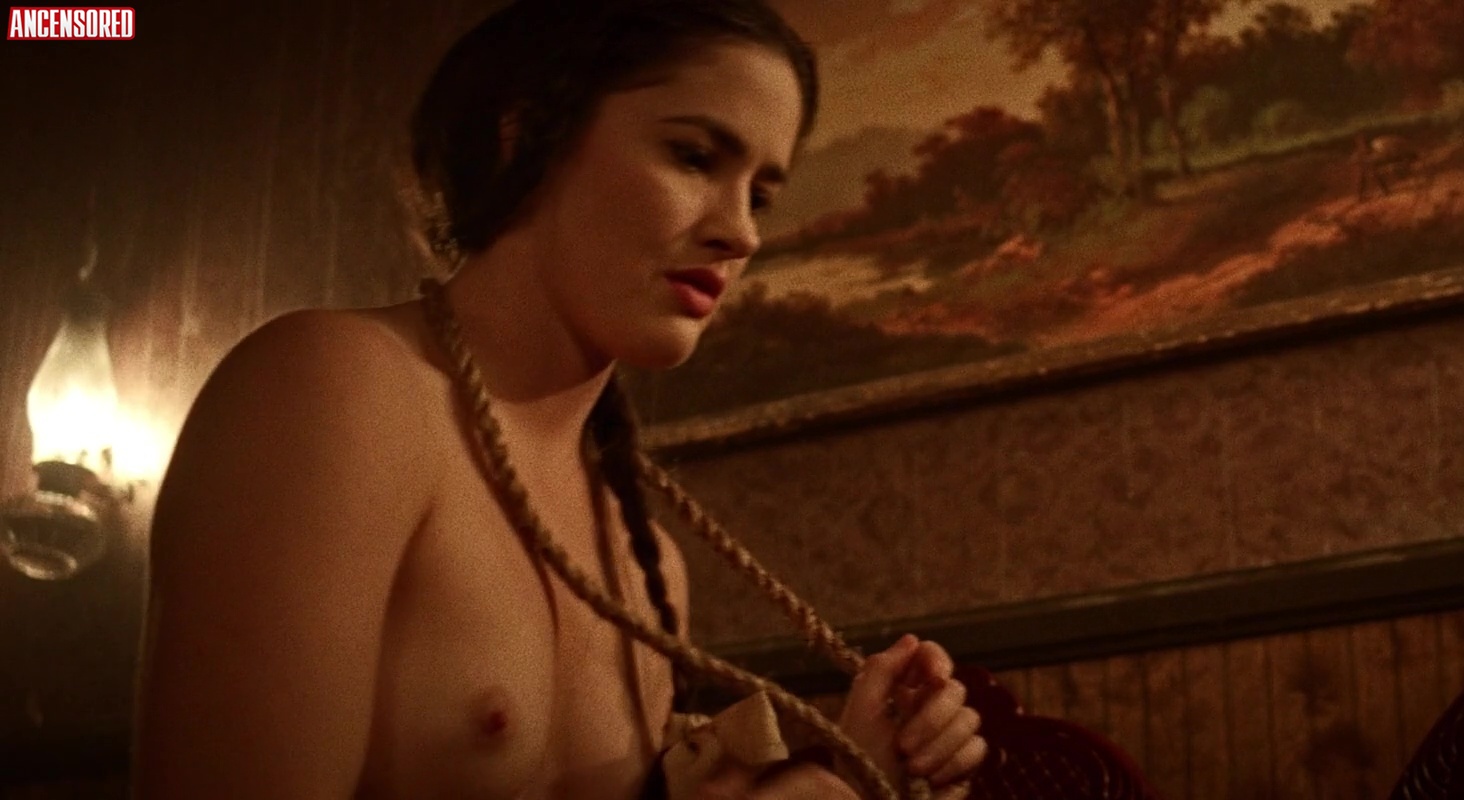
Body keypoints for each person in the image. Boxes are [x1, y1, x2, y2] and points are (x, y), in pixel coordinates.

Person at [130, 1, 985, 797]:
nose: (742, 232)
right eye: (694, 157)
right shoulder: (338, 388)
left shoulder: (645, 562)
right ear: (527, 139)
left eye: (761, 194)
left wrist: (856, 770)